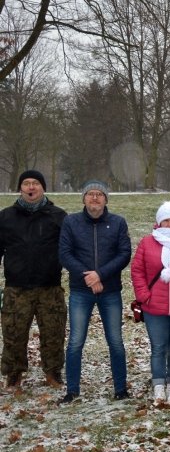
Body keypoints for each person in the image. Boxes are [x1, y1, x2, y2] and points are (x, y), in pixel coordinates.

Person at [58, 181, 132, 403]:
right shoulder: (71, 222)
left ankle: (120, 389)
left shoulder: (118, 223)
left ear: (106, 199)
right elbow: (65, 253)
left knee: (116, 341)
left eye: (99, 194)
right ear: (84, 198)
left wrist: (100, 275)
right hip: (81, 290)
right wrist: (88, 277)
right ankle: (72, 390)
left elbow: (124, 254)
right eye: (90, 194)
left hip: (110, 291)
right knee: (75, 341)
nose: (95, 198)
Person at [0, 170, 67, 389]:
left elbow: (68, 250)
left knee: (54, 333)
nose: (31, 187)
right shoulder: (6, 217)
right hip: (17, 288)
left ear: (43, 188)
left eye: (35, 183)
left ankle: (53, 373)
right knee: (13, 334)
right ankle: (14, 375)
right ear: (20, 188)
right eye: (26, 183)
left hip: (50, 287)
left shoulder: (58, 216)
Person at [131, 202, 170, 405]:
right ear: (159, 222)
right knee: (158, 347)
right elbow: (137, 270)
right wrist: (144, 295)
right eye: (166, 219)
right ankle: (158, 385)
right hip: (154, 307)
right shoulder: (147, 243)